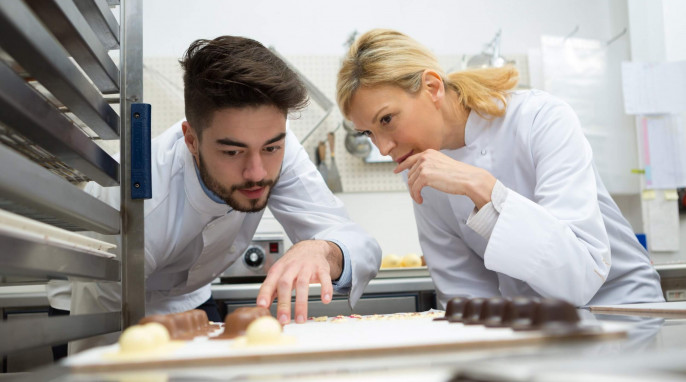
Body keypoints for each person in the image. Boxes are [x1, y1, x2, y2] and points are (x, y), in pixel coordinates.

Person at [52, 35, 381, 349]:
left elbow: (356, 240)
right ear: (191, 140)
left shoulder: (278, 145)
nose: (257, 173)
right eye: (232, 152)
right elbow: (98, 358)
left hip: (190, 300)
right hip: (96, 298)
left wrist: (324, 249)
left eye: (271, 148)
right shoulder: (140, 204)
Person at [336, 29, 664, 309]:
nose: (383, 148)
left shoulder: (540, 119)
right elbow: (463, 296)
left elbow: (579, 276)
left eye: (387, 120)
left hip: (624, 310)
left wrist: (483, 188)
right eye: (368, 132)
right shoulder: (422, 171)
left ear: (433, 87)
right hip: (541, 328)